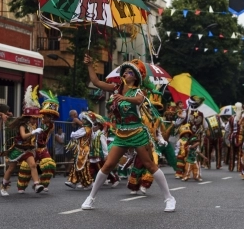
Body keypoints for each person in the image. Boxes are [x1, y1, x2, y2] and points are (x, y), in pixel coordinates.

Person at [81, 54, 176, 212]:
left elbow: (139, 101)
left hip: (137, 133)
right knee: (108, 165)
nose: (125, 73)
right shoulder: (115, 89)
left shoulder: (139, 91)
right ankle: (91, 198)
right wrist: (90, 65)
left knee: (149, 165)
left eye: (130, 72)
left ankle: (169, 198)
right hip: (121, 134)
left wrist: (123, 97)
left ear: (136, 78)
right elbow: (96, 82)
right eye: (124, 71)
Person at [0, 85, 44, 196]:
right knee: (11, 168)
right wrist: (33, 132)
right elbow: (24, 136)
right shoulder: (23, 125)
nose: (35, 120)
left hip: (27, 150)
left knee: (33, 165)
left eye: (35, 118)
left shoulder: (33, 126)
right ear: (28, 117)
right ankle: (3, 187)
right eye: (33, 118)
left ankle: (36, 184)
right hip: (18, 149)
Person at [17, 90, 58, 193]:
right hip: (32, 148)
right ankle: (21, 186)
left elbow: (45, 133)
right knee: (27, 167)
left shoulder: (51, 126)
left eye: (51, 116)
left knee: (49, 164)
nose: (49, 118)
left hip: (42, 148)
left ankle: (42, 184)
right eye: (47, 115)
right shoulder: (35, 120)